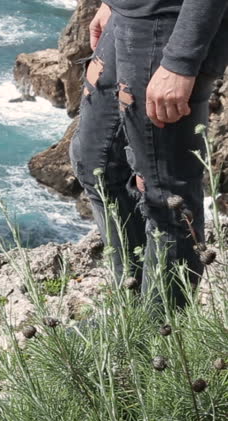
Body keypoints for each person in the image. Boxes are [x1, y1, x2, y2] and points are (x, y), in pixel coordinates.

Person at [70, 0, 228, 307]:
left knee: (168, 197)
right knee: (95, 164)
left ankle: (158, 339)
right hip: (132, 13)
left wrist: (182, 60)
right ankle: (129, 315)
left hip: (171, 27)